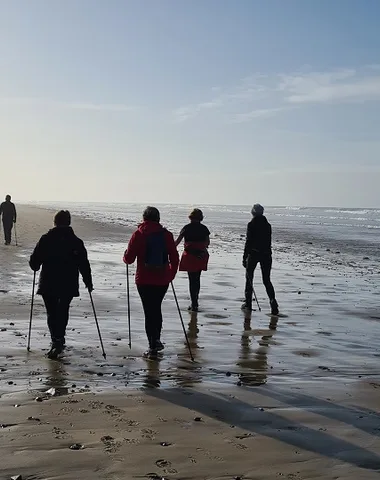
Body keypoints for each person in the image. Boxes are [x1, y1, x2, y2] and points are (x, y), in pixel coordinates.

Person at [29, 210, 93, 359]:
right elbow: (84, 264)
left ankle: (56, 340)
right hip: (68, 283)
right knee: (63, 310)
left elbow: (34, 262)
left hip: (48, 282)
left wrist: (35, 265)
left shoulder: (46, 239)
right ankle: (60, 338)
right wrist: (88, 282)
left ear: (55, 222)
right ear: (69, 222)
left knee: (52, 312)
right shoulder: (76, 241)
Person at [123, 206, 179, 358]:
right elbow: (174, 258)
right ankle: (157, 339)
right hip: (162, 279)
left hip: (144, 279)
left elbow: (129, 259)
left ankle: (152, 346)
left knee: (149, 311)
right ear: (158, 218)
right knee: (156, 308)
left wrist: (125, 256)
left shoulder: (138, 234)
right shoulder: (166, 235)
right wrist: (171, 275)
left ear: (144, 218)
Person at [242, 204, 279, 315]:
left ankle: (248, 304)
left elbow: (248, 242)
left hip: (254, 253)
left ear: (253, 212)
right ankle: (273, 301)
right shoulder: (267, 225)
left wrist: (244, 256)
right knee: (266, 280)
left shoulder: (251, 224)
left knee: (249, 278)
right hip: (266, 254)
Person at [175, 208, 210, 312]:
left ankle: (193, 303)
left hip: (190, 256)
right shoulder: (204, 228)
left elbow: (177, 242)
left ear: (190, 217)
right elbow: (207, 242)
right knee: (197, 279)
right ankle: (195, 302)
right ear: (201, 218)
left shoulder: (186, 228)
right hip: (200, 256)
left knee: (191, 279)